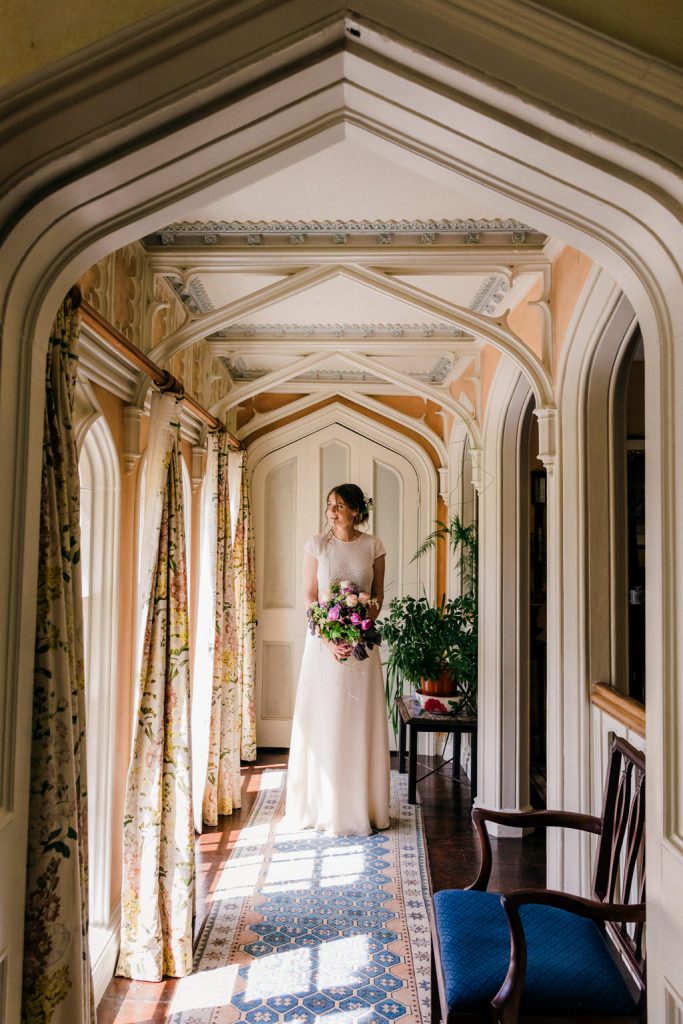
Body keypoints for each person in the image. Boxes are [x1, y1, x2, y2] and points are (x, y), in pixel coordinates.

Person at [284, 483, 391, 835]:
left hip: (362, 647)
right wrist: (330, 641)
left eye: (340, 505)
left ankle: (364, 806)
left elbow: (376, 597)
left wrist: (361, 624)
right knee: (325, 719)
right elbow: (310, 597)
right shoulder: (317, 545)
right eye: (329, 504)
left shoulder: (373, 545)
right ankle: (322, 805)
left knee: (357, 720)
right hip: (323, 647)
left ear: (357, 510)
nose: (332, 511)